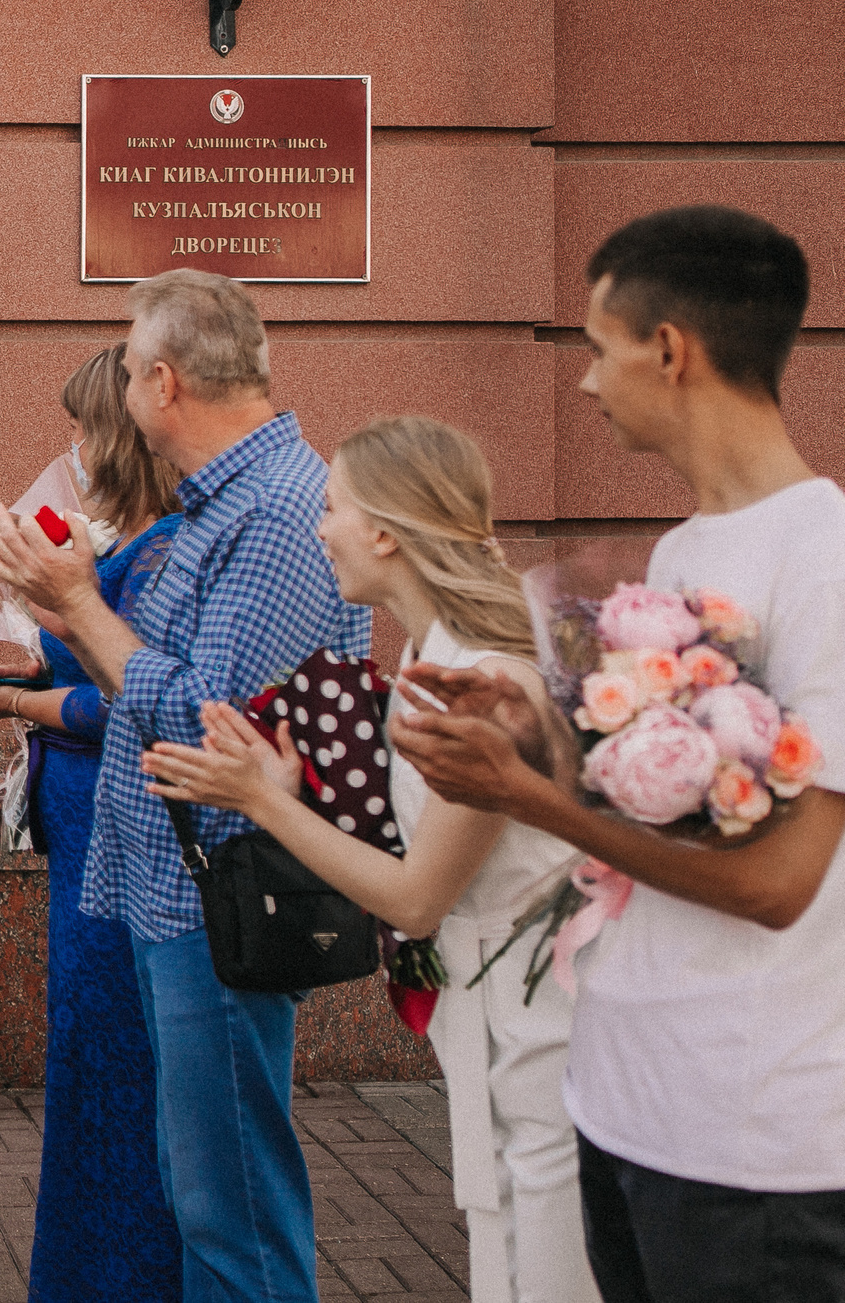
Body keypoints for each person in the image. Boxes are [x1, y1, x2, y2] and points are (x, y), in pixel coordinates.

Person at [394, 207, 845, 1303]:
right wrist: (538, 736)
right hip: (627, 1106)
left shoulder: (823, 562)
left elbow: (780, 881)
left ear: (670, 350)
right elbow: (663, 802)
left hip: (756, 1146)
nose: (587, 381)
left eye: (598, 348)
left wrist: (527, 798)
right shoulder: (686, 550)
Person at [141, 417, 600, 1303]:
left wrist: (262, 801)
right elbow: (415, 838)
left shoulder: (489, 682)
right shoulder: (432, 657)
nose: (318, 529)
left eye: (331, 508)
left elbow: (417, 896)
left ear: (386, 532)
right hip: (485, 1011)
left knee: (545, 1268)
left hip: (546, 1023)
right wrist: (291, 787)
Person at [0, 270, 367, 1303]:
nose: (120, 393)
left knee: (235, 1222)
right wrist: (65, 606)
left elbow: (204, 719)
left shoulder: (274, 511)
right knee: (199, 1202)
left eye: (128, 368)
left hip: (218, 896)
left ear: (163, 382)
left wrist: (76, 602)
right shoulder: (217, 505)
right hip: (172, 891)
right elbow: (158, 672)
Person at [0, 344, 184, 1303]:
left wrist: (17, 704)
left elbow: (127, 703)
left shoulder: (162, 552)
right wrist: (23, 667)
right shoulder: (124, 540)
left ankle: (131, 1277)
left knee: (121, 1060)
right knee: (86, 1060)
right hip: (83, 828)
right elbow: (82, 666)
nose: (74, 446)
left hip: (126, 833)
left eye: (85, 427)